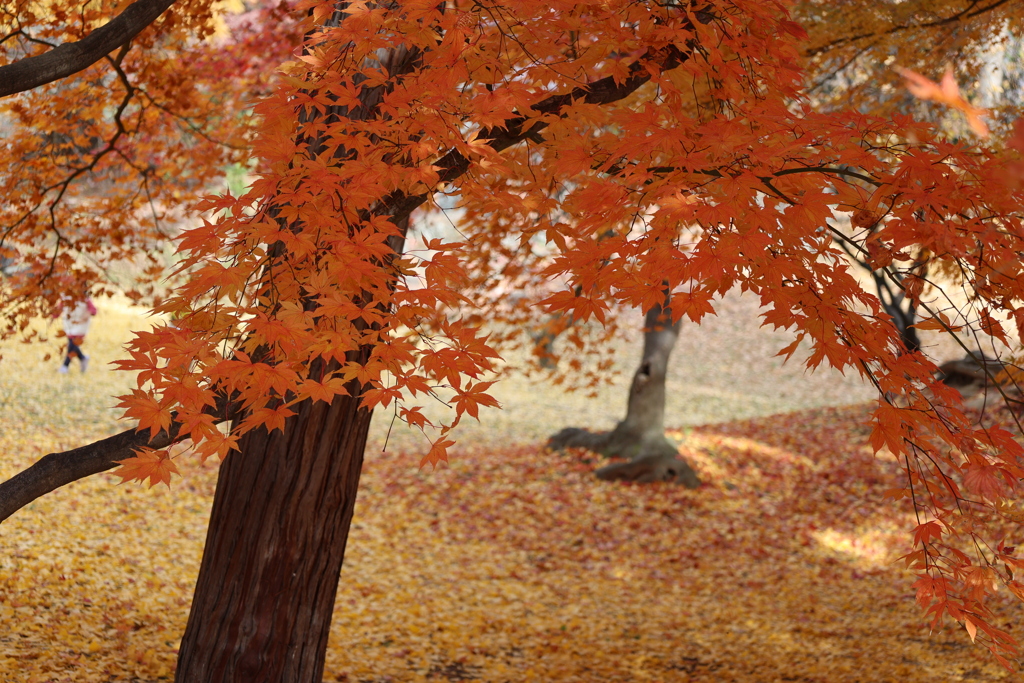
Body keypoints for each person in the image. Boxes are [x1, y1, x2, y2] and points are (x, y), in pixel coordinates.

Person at [59, 296, 97, 374]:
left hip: (81, 323)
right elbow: (59, 308)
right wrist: (52, 315)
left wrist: (88, 313)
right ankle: (83, 358)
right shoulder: (65, 297)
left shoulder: (85, 298)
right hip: (69, 324)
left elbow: (93, 310)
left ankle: (65, 366)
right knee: (73, 344)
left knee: (73, 344)